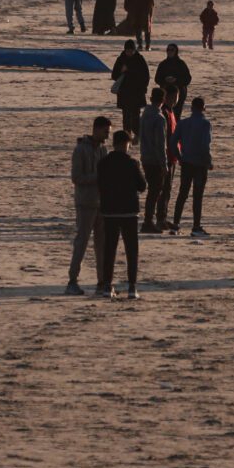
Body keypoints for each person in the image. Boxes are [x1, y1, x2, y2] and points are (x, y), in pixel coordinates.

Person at [96, 133, 147, 299]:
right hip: (129, 212)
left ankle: (107, 286)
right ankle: (132, 287)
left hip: (110, 211)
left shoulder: (103, 163)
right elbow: (142, 186)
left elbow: (100, 184)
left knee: (109, 249)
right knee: (132, 250)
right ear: (125, 144)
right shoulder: (132, 163)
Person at [66, 117, 111, 294]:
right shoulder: (80, 150)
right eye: (105, 132)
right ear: (96, 129)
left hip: (101, 203)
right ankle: (72, 280)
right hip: (85, 203)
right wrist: (97, 177)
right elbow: (76, 178)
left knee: (102, 245)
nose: (107, 136)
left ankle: (102, 282)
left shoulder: (103, 149)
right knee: (81, 242)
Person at [172, 96, 212, 236]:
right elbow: (205, 145)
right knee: (197, 196)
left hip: (186, 162)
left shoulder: (183, 123)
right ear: (203, 108)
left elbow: (173, 142)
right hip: (200, 164)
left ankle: (175, 224)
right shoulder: (205, 124)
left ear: (191, 108)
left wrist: (179, 157)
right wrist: (208, 161)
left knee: (182, 193)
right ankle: (195, 227)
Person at [139, 87, 175, 235]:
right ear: (163, 100)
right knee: (155, 191)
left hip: (145, 157)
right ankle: (148, 222)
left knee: (153, 191)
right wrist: (164, 163)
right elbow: (160, 144)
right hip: (155, 160)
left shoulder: (144, 115)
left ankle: (149, 221)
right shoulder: (159, 118)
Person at [112, 39, 150, 123]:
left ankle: (137, 135)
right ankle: (127, 135)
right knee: (126, 118)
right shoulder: (121, 59)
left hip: (137, 92)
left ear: (134, 50)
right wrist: (121, 71)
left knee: (136, 117)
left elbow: (146, 76)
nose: (129, 52)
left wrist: (144, 88)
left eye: (131, 50)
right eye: (127, 50)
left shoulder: (139, 59)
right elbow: (114, 76)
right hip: (124, 93)